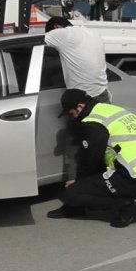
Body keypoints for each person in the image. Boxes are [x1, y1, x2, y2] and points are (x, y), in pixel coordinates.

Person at [47, 89, 136, 228]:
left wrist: (77, 184)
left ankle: (128, 206)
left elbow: (90, 162)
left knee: (73, 193)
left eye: (71, 114)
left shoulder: (91, 124)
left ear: (80, 107)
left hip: (134, 174)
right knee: (103, 177)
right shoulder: (110, 109)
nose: (72, 118)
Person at [45, 16, 111, 184]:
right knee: (104, 145)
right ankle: (108, 184)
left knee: (76, 148)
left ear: (57, 27)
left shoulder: (65, 34)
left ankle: (76, 191)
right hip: (102, 95)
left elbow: (31, 40)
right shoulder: (92, 33)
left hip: (83, 101)